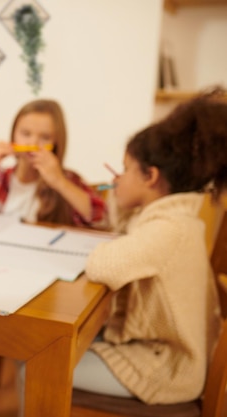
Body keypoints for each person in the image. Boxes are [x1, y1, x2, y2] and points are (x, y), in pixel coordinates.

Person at [0, 99, 108, 417]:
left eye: (45, 138)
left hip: (47, 282)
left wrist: (58, 180)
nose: (33, 144)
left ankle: (29, 403)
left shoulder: (65, 179)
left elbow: (98, 216)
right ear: (12, 134)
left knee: (32, 340)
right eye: (25, 133)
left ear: (57, 144)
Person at [73, 87, 227, 404]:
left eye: (126, 168)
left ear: (150, 177)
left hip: (166, 369)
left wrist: (110, 235)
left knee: (34, 366)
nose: (117, 178)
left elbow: (104, 265)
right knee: (68, 344)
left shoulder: (169, 229)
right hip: (160, 351)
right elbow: (125, 232)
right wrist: (122, 198)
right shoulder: (174, 216)